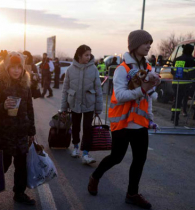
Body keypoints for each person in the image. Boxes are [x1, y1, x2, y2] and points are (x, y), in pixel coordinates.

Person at [89, 30, 160, 209]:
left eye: (150, 43)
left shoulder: (149, 69)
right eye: (146, 43)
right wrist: (142, 89)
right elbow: (120, 95)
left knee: (139, 160)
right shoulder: (123, 69)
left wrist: (150, 118)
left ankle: (132, 193)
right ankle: (95, 177)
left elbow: (148, 97)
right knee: (116, 157)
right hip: (122, 123)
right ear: (135, 45)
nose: (149, 46)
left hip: (140, 124)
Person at [0, 51, 36, 206]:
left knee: (21, 166)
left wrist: (31, 131)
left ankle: (19, 193)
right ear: (6, 68)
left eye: (19, 67)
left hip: (21, 134)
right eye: (13, 67)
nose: (16, 70)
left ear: (23, 69)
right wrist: (3, 106)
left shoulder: (25, 86)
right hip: (4, 135)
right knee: (4, 164)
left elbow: (29, 109)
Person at [61, 45, 103, 164]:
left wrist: (98, 108)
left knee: (87, 128)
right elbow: (65, 89)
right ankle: (75, 147)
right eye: (86, 55)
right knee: (75, 126)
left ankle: (85, 152)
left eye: (89, 55)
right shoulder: (70, 69)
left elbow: (98, 89)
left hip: (89, 103)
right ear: (79, 55)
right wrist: (63, 107)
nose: (88, 57)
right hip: (74, 102)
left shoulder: (93, 69)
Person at [170, 44, 195, 124]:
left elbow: (172, 71)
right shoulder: (192, 60)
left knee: (177, 100)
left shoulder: (177, 59)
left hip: (176, 83)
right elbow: (193, 73)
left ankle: (174, 118)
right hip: (188, 84)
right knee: (190, 99)